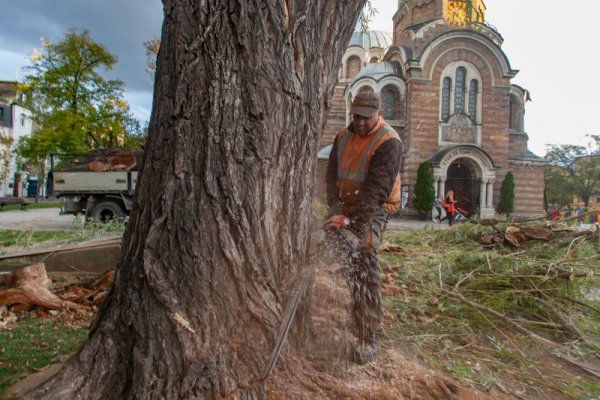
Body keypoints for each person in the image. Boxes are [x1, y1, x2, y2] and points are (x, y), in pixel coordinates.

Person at [323, 89, 403, 364]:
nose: (359, 122)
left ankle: (368, 336)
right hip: (345, 204)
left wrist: (354, 226)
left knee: (363, 257)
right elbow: (331, 177)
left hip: (375, 208)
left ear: (379, 114)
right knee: (326, 246)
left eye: (366, 117)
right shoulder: (342, 137)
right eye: (356, 116)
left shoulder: (389, 142)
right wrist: (336, 212)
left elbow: (377, 191)